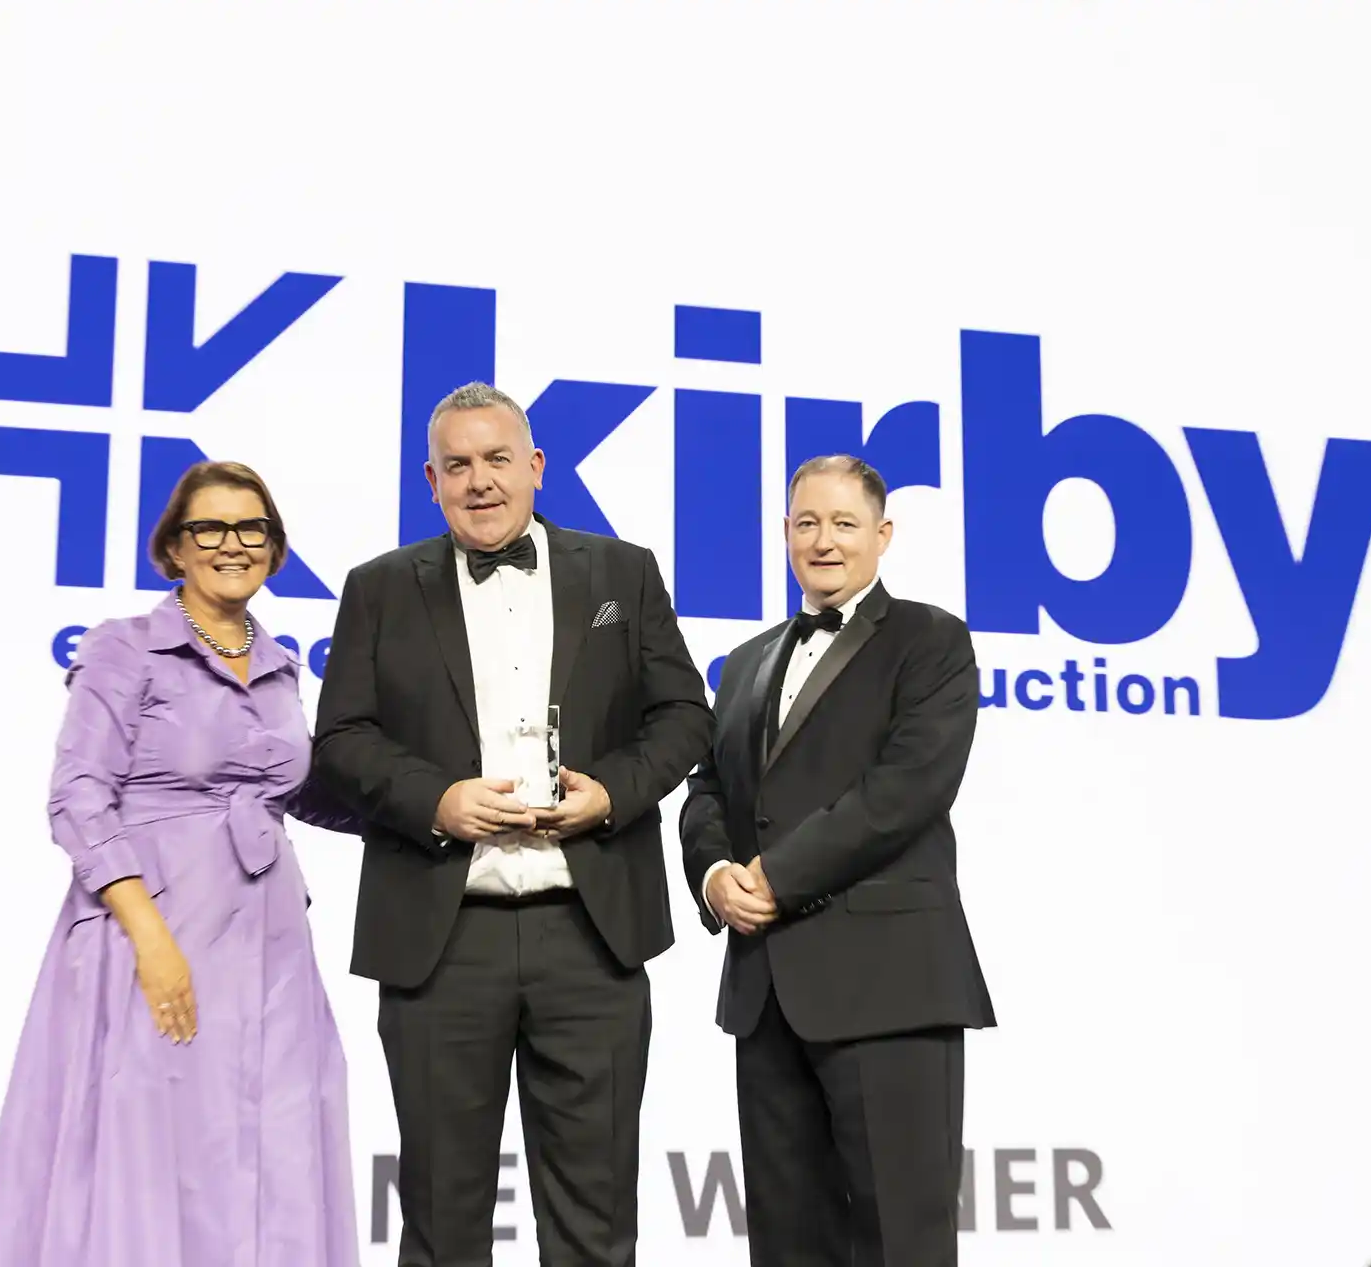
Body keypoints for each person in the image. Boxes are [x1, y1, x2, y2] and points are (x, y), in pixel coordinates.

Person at [311, 381, 713, 1266]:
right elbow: (339, 740)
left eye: (498, 459)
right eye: (457, 465)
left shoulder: (622, 573)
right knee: (441, 1222)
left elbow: (685, 716)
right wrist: (435, 801)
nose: (479, 481)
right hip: (441, 940)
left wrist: (611, 793)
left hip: (592, 934)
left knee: (595, 1224)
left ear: (535, 466)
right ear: (431, 482)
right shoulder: (378, 588)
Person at [0, 462, 361, 1267]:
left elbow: (294, 791)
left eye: (251, 529)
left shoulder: (281, 664)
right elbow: (77, 796)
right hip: (154, 930)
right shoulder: (124, 648)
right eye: (208, 528)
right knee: (154, 1148)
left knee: (271, 1143)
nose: (231, 545)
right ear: (174, 548)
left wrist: (435, 808)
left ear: (275, 551)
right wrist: (149, 936)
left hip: (271, 946)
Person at [680, 454, 995, 1266]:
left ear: (882, 535)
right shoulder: (745, 662)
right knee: (786, 1244)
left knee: (901, 1241)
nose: (824, 541)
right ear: (785, 532)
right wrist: (716, 878)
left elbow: (905, 791)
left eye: (844, 524)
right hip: (766, 992)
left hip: (889, 985)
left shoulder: (931, 640)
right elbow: (708, 788)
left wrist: (775, 877)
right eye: (808, 523)